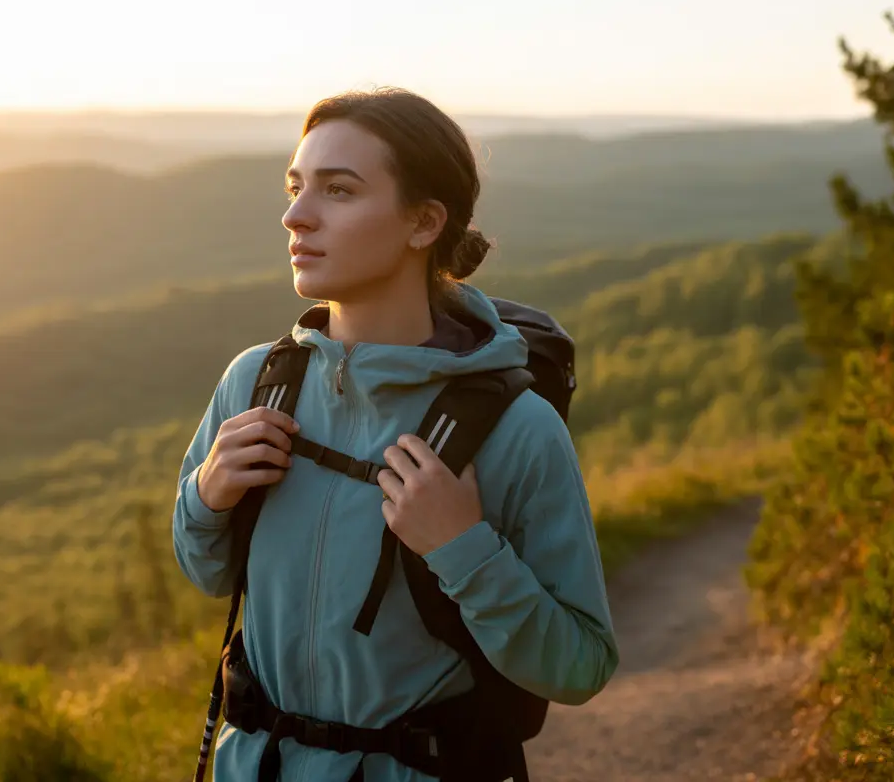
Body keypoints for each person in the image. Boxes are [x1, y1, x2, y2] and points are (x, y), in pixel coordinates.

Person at [172, 86, 618, 782]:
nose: (296, 216)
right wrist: (207, 497)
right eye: (295, 188)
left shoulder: (514, 427)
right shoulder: (257, 382)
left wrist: (464, 550)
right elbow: (208, 573)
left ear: (423, 223)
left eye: (338, 191)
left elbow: (581, 664)